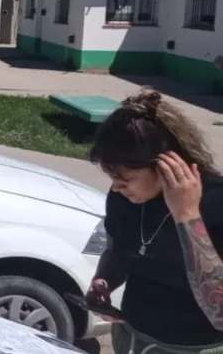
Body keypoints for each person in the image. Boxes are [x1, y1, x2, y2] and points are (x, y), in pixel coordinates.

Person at [86, 89, 223, 354]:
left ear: (165, 167)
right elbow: (117, 250)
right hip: (132, 338)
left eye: (125, 180)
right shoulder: (124, 199)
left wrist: (186, 215)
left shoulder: (216, 204)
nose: (116, 189)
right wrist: (104, 279)